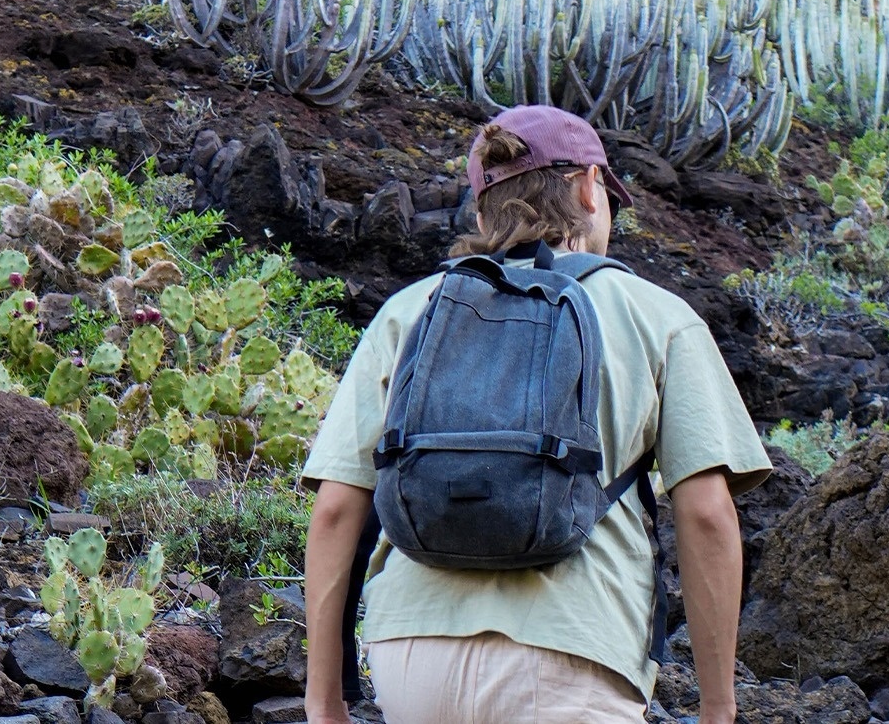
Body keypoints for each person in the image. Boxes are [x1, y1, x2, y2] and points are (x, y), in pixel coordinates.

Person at [300, 105, 771, 724]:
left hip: (411, 654)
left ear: (480, 209)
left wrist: (323, 699)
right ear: (587, 187)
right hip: (576, 653)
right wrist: (718, 707)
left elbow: (337, 508)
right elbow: (707, 515)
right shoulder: (656, 315)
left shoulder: (410, 311)